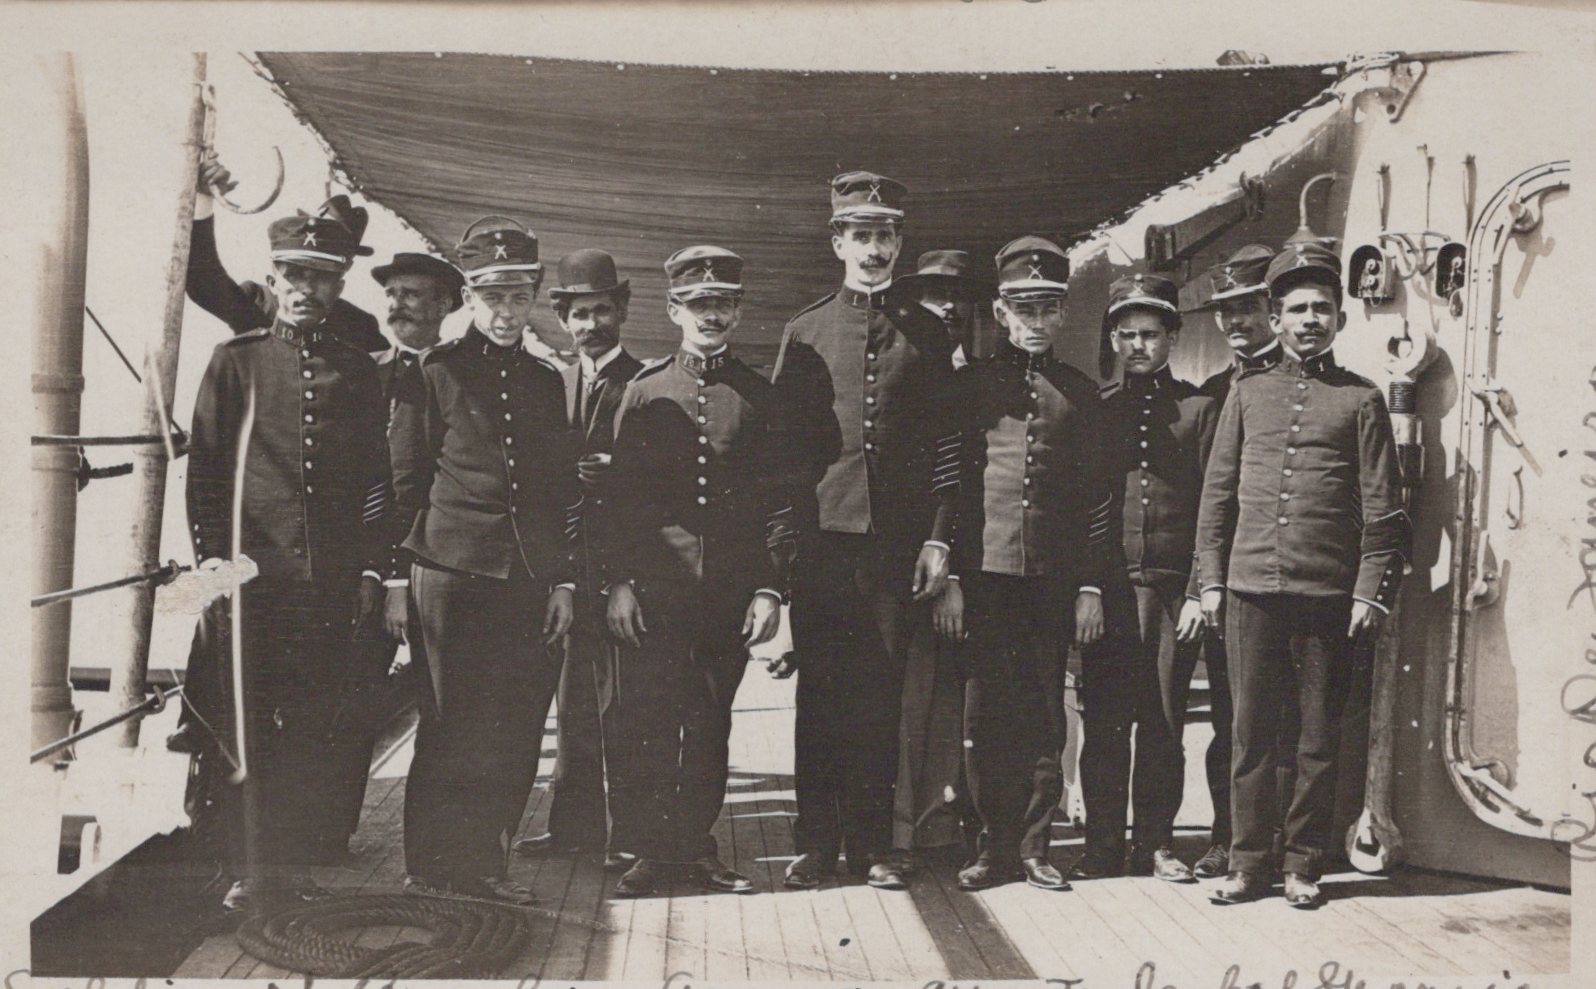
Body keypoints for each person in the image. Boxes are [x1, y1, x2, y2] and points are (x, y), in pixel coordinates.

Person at [183, 203, 390, 911]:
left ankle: (291, 867)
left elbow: (375, 480)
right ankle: (247, 870)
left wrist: (366, 568)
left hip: (327, 587)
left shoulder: (360, 370)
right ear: (276, 276)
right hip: (251, 584)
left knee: (310, 730)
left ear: (338, 285)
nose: (307, 290)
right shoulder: (234, 362)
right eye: (295, 276)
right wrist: (214, 566)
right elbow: (206, 477)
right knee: (244, 724)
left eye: (322, 278)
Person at [1196, 241, 1409, 908]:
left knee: (1318, 736)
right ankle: (1248, 860)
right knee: (1249, 732)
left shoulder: (1361, 400)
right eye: (1297, 309)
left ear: (1340, 321)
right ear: (1276, 319)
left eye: (1322, 308)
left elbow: (1385, 510)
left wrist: (1371, 592)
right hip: (1250, 589)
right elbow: (1217, 496)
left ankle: (1304, 863)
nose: (1310, 319)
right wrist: (1209, 578)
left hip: (1327, 595)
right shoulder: (1247, 393)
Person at [773, 171, 961, 890]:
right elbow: (785, 455)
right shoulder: (806, 329)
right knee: (821, 695)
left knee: (882, 695)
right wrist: (789, 554)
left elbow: (949, 445)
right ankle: (816, 844)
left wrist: (938, 536)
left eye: (886, 235)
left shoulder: (930, 331)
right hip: (824, 544)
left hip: (896, 547)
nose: (875, 248)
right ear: (838, 241)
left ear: (899, 242)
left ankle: (875, 845)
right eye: (862, 235)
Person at [390, 216, 580, 905]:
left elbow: (559, 489)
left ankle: (481, 862)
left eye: (519, 296)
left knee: (514, 724)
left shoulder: (543, 379)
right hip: (449, 571)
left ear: (532, 298)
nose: (506, 311)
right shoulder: (435, 372)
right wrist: (396, 577)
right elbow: (406, 483)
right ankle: (429, 868)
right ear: (469, 296)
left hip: (526, 577)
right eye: (493, 296)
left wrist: (562, 579)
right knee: (446, 721)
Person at [598, 245, 790, 896]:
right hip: (656, 589)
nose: (713, 314)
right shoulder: (644, 390)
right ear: (675, 308)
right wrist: (620, 581)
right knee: (650, 717)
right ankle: (652, 850)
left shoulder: (759, 395)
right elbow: (619, 498)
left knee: (711, 720)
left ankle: (696, 846)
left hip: (728, 592)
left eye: (724, 302)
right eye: (700, 303)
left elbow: (777, 500)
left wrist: (768, 587)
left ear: (738, 310)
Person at [933, 236, 1110, 891]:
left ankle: (1035, 846)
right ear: (1002, 312)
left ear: (1062, 313)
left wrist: (1088, 584)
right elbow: (947, 479)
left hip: (1051, 580)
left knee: (1042, 712)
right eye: (1023, 308)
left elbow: (1097, 498)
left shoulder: (1081, 392)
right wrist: (948, 572)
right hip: (982, 575)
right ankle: (990, 845)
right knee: (983, 713)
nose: (1036, 321)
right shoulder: (970, 386)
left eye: (1048, 308)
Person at [322, 250, 466, 856]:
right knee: (346, 699)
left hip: (433, 567)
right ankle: (329, 833)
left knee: (442, 706)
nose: (399, 304)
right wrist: (367, 567)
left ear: (446, 306)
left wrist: (406, 573)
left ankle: (437, 848)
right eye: (393, 293)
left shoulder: (462, 378)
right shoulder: (362, 374)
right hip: (358, 569)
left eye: (414, 294)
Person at [1078, 273, 1218, 883]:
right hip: (1108, 590)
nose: (1139, 346)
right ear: (1112, 339)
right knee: (1105, 721)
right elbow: (1079, 504)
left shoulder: (1197, 410)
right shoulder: (1095, 410)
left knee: (1163, 722)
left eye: (1152, 334)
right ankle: (1103, 845)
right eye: (1128, 334)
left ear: (1172, 338)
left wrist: (1196, 590)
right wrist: (1084, 587)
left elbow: (1216, 506)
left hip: (1169, 593)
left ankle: (1157, 844)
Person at [514, 249, 642, 873]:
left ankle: (627, 832)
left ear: (621, 311)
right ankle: (571, 829)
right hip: (559, 573)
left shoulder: (645, 383)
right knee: (569, 702)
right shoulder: (549, 383)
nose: (591, 324)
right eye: (579, 313)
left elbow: (664, 485)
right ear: (563, 320)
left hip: (619, 572)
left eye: (602, 311)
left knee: (619, 703)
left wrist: (624, 474)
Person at [1183, 244, 1287, 879]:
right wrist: (1204, 585)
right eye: (1225, 311)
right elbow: (1207, 503)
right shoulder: (1214, 395)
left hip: (1293, 580)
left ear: (1273, 309)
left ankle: (1286, 842)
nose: (1236, 322)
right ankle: (1230, 837)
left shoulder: (1311, 383)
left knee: (1290, 722)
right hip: (1234, 588)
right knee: (1232, 721)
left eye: (1248, 307)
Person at [894, 248, 987, 867]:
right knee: (913, 698)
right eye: (934, 296)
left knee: (965, 703)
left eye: (957, 297)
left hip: (981, 568)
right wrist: (942, 564)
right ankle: (911, 829)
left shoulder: (985, 378)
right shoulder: (912, 375)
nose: (948, 307)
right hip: (923, 564)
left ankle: (955, 825)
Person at [185, 157, 387, 351]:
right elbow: (204, 283)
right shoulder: (259, 301)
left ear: (348, 264)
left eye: (333, 249)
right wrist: (204, 198)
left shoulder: (360, 326)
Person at [901, 249, 982, 368]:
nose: (950, 305)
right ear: (917, 302)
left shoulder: (983, 375)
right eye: (937, 294)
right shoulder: (897, 370)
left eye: (960, 296)